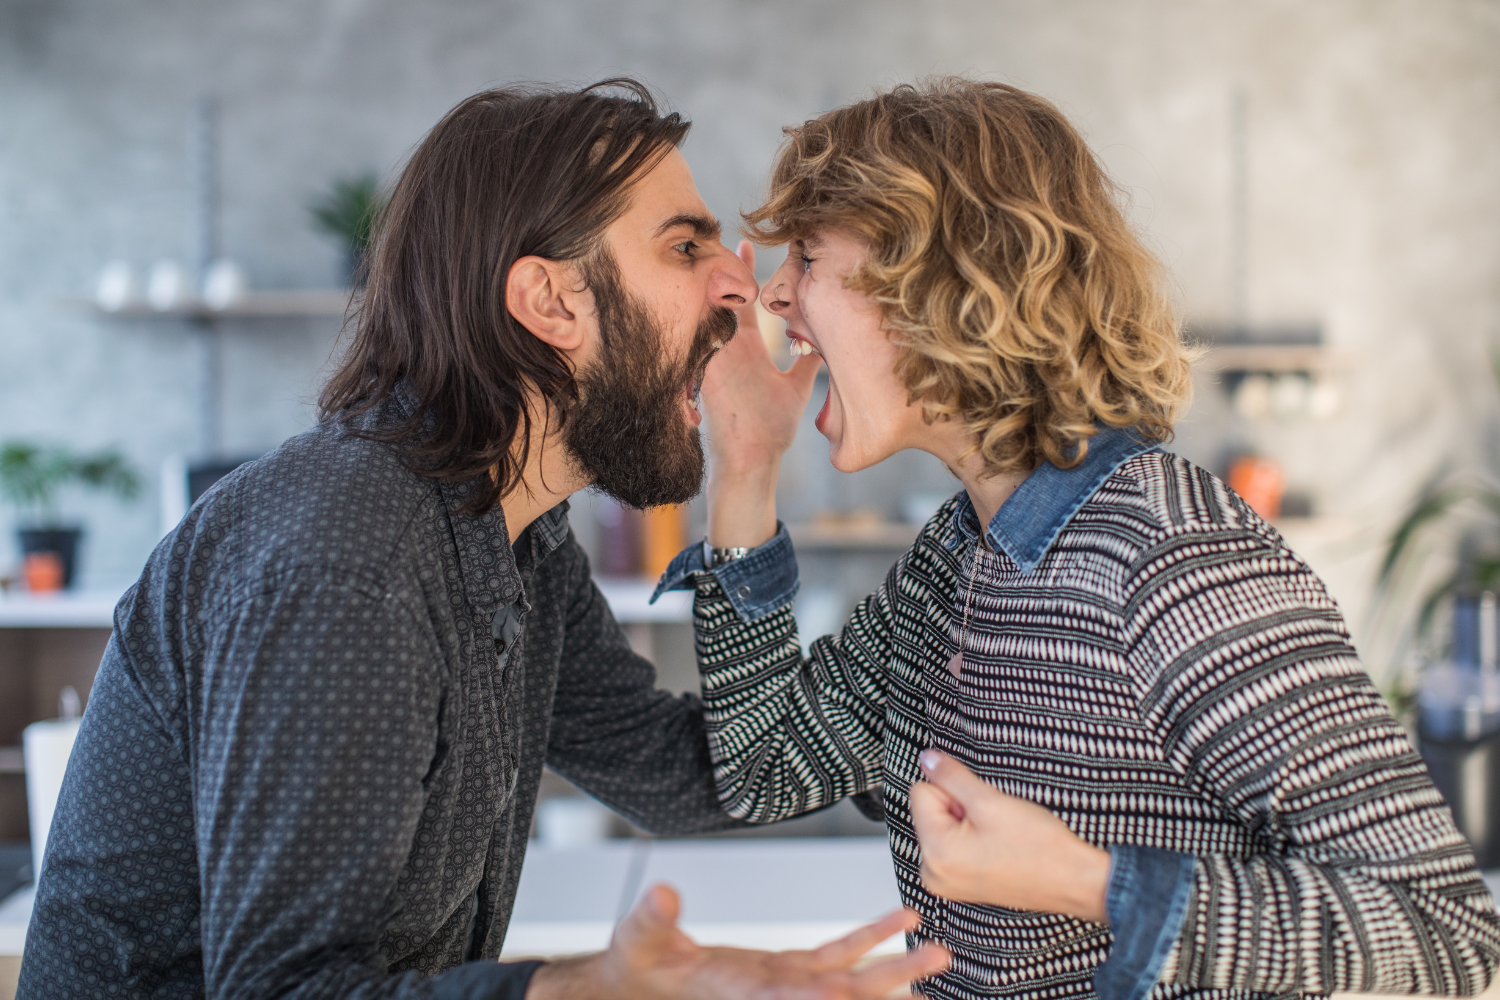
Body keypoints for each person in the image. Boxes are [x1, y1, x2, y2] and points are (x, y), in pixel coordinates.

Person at [17, 81, 948, 1000]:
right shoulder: (350, 563)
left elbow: (696, 773)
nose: (743, 283)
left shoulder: (511, 530)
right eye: (683, 245)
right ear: (548, 301)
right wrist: (578, 989)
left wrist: (750, 467)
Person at [657, 78, 1500, 1000]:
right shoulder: (956, 558)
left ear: (941, 284)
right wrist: (744, 464)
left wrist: (1086, 885)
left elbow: (1447, 934)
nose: (774, 296)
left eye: (808, 257)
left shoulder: (1174, 562)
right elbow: (765, 764)